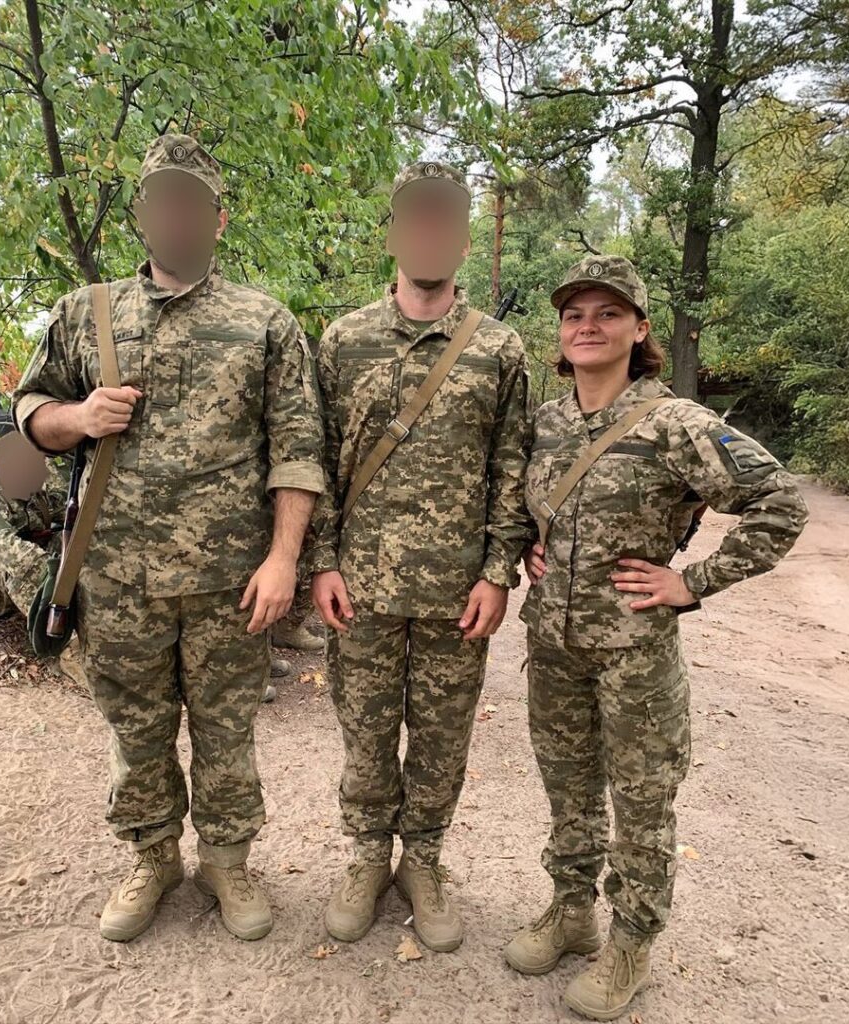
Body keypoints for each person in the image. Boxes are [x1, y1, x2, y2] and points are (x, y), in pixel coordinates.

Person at [11, 133, 325, 944]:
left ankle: (227, 860)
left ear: (217, 219)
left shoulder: (265, 323)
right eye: (161, 200)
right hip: (115, 581)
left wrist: (284, 557)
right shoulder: (87, 314)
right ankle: (153, 859)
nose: (175, 214)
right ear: (145, 216)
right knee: (136, 731)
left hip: (231, 585)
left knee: (227, 732)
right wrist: (77, 418)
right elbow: (24, 416)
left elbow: (297, 451)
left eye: (191, 201)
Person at [506, 255, 808, 1020]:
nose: (587, 325)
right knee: (568, 787)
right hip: (554, 643)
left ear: (640, 330)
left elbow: (780, 501)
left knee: (641, 800)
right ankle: (570, 911)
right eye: (574, 313)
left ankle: (632, 941)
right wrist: (525, 547)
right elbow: (518, 511)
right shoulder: (546, 421)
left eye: (607, 313)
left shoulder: (676, 422)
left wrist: (692, 583)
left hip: (635, 651)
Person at [311, 160, 530, 952]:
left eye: (447, 219)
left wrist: (498, 573)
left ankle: (425, 860)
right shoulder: (343, 342)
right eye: (418, 218)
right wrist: (323, 560)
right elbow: (317, 456)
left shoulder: (500, 350)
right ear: (396, 232)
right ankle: (370, 856)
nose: (431, 232)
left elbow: (514, 465)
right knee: (365, 732)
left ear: (464, 237)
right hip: (361, 587)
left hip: (454, 593)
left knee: (442, 738)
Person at [0, 429, 66, 622]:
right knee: (1, 542)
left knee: (69, 538)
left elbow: (67, 512)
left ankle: (63, 605)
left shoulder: (38, 478)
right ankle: (48, 620)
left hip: (31, 560)